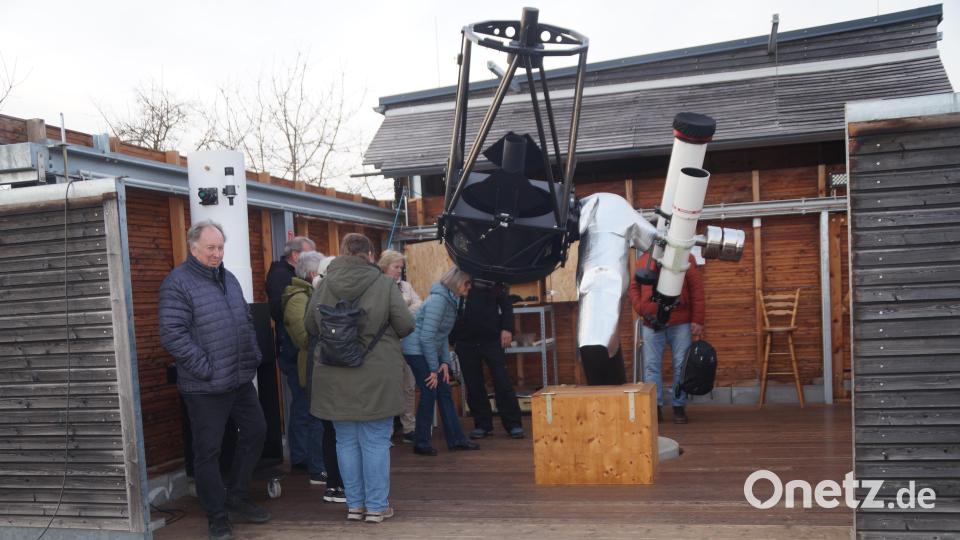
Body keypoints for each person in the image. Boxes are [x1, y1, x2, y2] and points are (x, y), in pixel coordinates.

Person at [159, 220, 270, 540]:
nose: (217, 253)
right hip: (204, 385)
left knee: (257, 432)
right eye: (211, 248)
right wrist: (205, 367)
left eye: (220, 247)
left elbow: (245, 321)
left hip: (238, 378)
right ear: (193, 248)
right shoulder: (177, 283)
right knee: (208, 451)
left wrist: (251, 354)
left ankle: (237, 493)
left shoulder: (229, 278)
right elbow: (172, 334)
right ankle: (217, 515)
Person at [305, 233, 414, 523]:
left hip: (333, 373)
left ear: (342, 253)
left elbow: (309, 325)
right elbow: (405, 324)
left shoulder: (324, 283)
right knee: (376, 441)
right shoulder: (383, 284)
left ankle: (355, 505)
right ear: (370, 255)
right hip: (376, 373)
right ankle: (377, 507)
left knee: (345, 441)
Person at [282, 250, 345, 503]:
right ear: (312, 273)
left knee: (317, 420)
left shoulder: (309, 295)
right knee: (312, 419)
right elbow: (304, 336)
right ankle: (314, 467)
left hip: (316, 364)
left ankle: (320, 467)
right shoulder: (298, 299)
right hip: (309, 367)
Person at [402, 266, 480, 456]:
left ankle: (456, 439)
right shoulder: (439, 301)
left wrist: (444, 363)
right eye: (467, 283)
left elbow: (441, 335)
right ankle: (421, 442)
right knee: (429, 390)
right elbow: (427, 337)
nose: (469, 288)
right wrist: (433, 369)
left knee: (444, 389)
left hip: (427, 349)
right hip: (416, 350)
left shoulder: (451, 300)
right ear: (458, 282)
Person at [629, 252, 705, 424]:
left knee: (681, 366)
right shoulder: (644, 259)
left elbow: (696, 289)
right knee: (651, 367)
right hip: (651, 322)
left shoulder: (686, 257)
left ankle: (679, 407)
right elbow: (634, 287)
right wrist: (642, 309)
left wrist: (697, 319)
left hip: (680, 322)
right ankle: (655, 408)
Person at [266, 236, 316, 472]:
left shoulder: (284, 275)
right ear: (296, 256)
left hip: (296, 349)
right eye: (310, 254)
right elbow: (283, 315)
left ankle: (306, 453)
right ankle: (301, 455)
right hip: (294, 351)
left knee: (304, 402)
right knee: (302, 403)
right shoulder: (283, 278)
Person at [453, 281, 524, 439]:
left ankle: (513, 423)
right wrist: (453, 338)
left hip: (491, 339)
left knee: (502, 381)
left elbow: (506, 305)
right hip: (465, 341)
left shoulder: (492, 278)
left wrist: (507, 328)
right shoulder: (462, 276)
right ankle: (482, 424)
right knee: (473, 384)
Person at [377, 250, 422, 444]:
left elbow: (420, 306)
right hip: (386, 348)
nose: (399, 271)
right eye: (396, 267)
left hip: (407, 345)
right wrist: (404, 310)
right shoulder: (378, 286)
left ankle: (409, 427)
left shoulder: (406, 286)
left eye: (401, 268)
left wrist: (402, 310)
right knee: (387, 388)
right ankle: (386, 432)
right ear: (385, 266)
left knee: (409, 387)